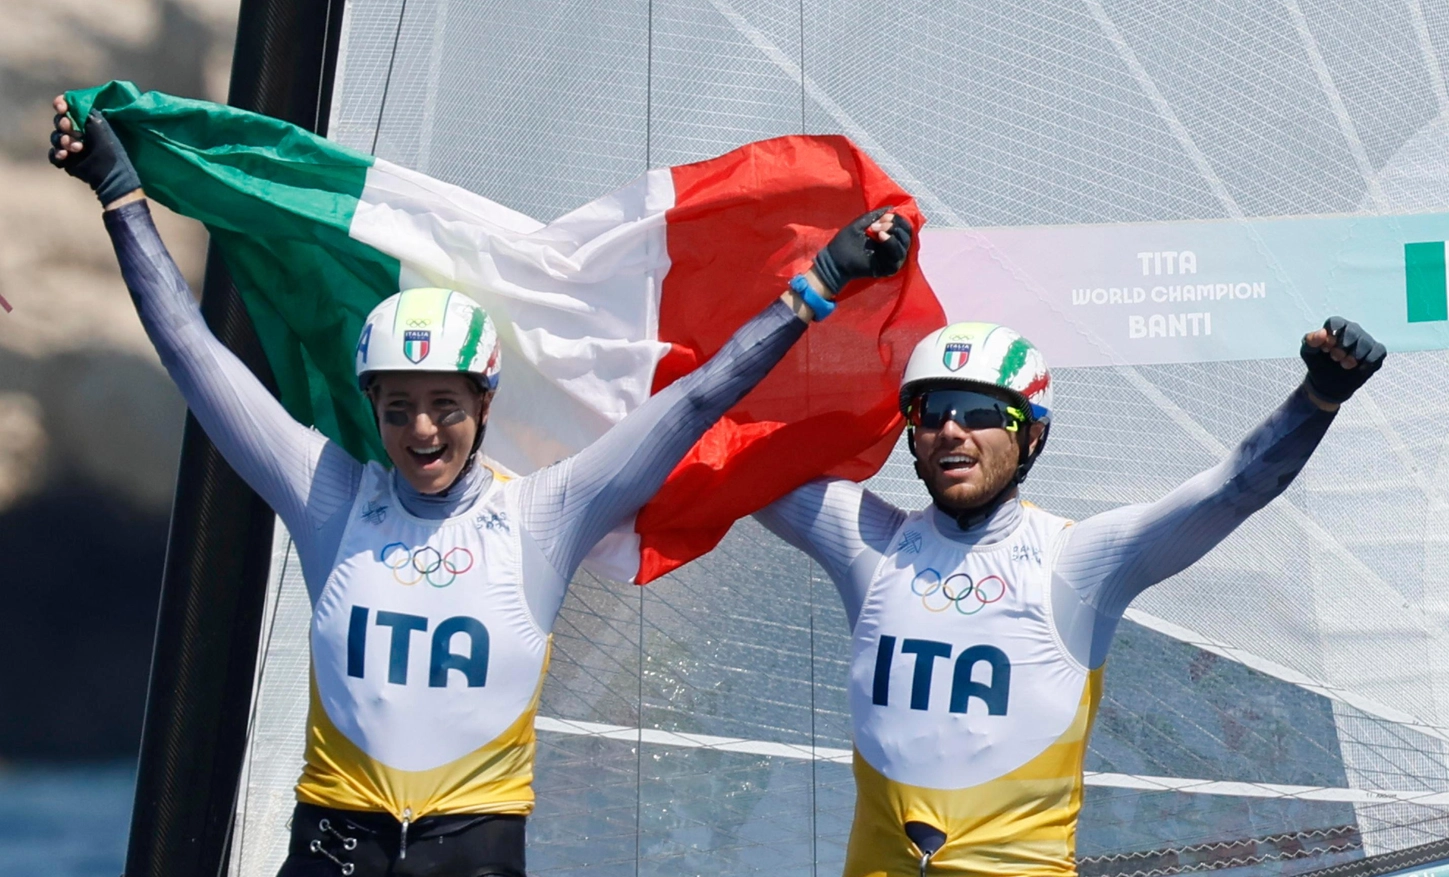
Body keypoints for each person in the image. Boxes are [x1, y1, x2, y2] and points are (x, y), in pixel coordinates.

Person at [49, 99, 914, 877]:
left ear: (484, 401)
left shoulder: (543, 513)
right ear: (372, 407)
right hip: (329, 853)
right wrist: (122, 199)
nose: (422, 431)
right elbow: (194, 356)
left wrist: (824, 281)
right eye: (398, 408)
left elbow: (698, 397)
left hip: (475, 859)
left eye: (443, 406)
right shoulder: (329, 496)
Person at [756, 319, 1385, 877]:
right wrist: (806, 297)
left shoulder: (1079, 562)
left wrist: (1319, 397)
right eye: (933, 410)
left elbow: (1230, 491)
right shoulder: (869, 544)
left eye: (980, 412)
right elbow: (729, 452)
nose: (952, 429)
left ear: (1032, 437)